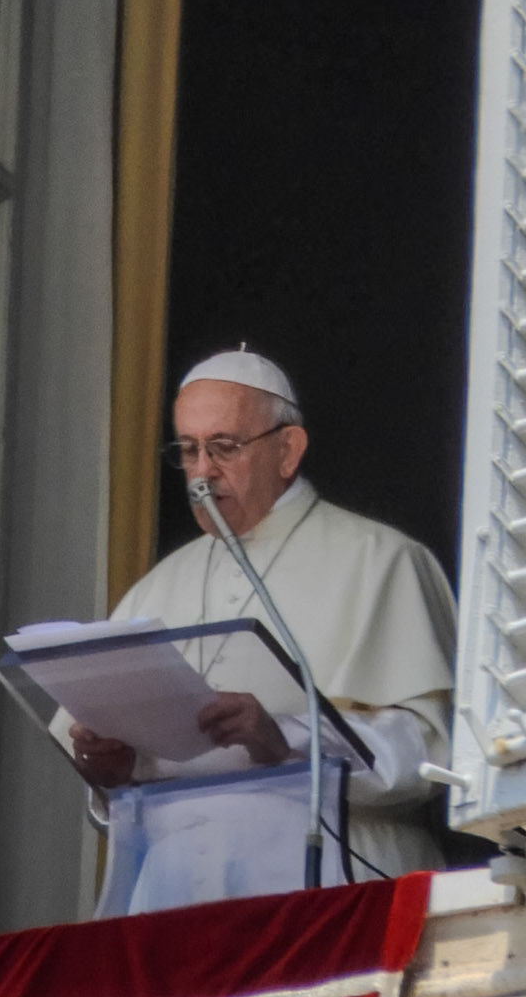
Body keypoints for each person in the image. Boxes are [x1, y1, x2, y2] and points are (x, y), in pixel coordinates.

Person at [69, 348, 456, 878]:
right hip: (180, 889)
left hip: (332, 876)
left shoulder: (380, 559)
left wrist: (287, 739)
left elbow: (431, 759)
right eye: (188, 450)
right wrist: (115, 773)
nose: (202, 472)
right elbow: (125, 802)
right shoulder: (152, 592)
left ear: (287, 450)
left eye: (224, 447)